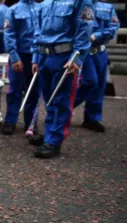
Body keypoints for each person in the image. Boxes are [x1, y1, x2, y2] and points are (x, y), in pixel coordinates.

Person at [30, 0, 94, 158]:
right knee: (49, 100)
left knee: (61, 100)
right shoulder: (46, 2)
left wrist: (77, 59)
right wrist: (36, 57)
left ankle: (54, 141)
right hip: (44, 56)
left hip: (64, 58)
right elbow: (38, 31)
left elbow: (84, 30)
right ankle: (50, 134)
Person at [73, 0, 120, 133]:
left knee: (99, 86)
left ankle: (92, 119)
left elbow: (114, 26)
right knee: (89, 81)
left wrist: (96, 35)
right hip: (84, 51)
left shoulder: (107, 7)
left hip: (100, 52)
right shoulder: (77, 4)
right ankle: (65, 107)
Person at [1, 0, 40, 135]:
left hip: (35, 56)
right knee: (14, 90)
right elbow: (8, 33)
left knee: (34, 91)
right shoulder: (13, 10)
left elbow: (42, 33)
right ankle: (10, 121)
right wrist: (14, 56)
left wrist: (38, 56)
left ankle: (30, 123)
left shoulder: (41, 8)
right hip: (19, 55)